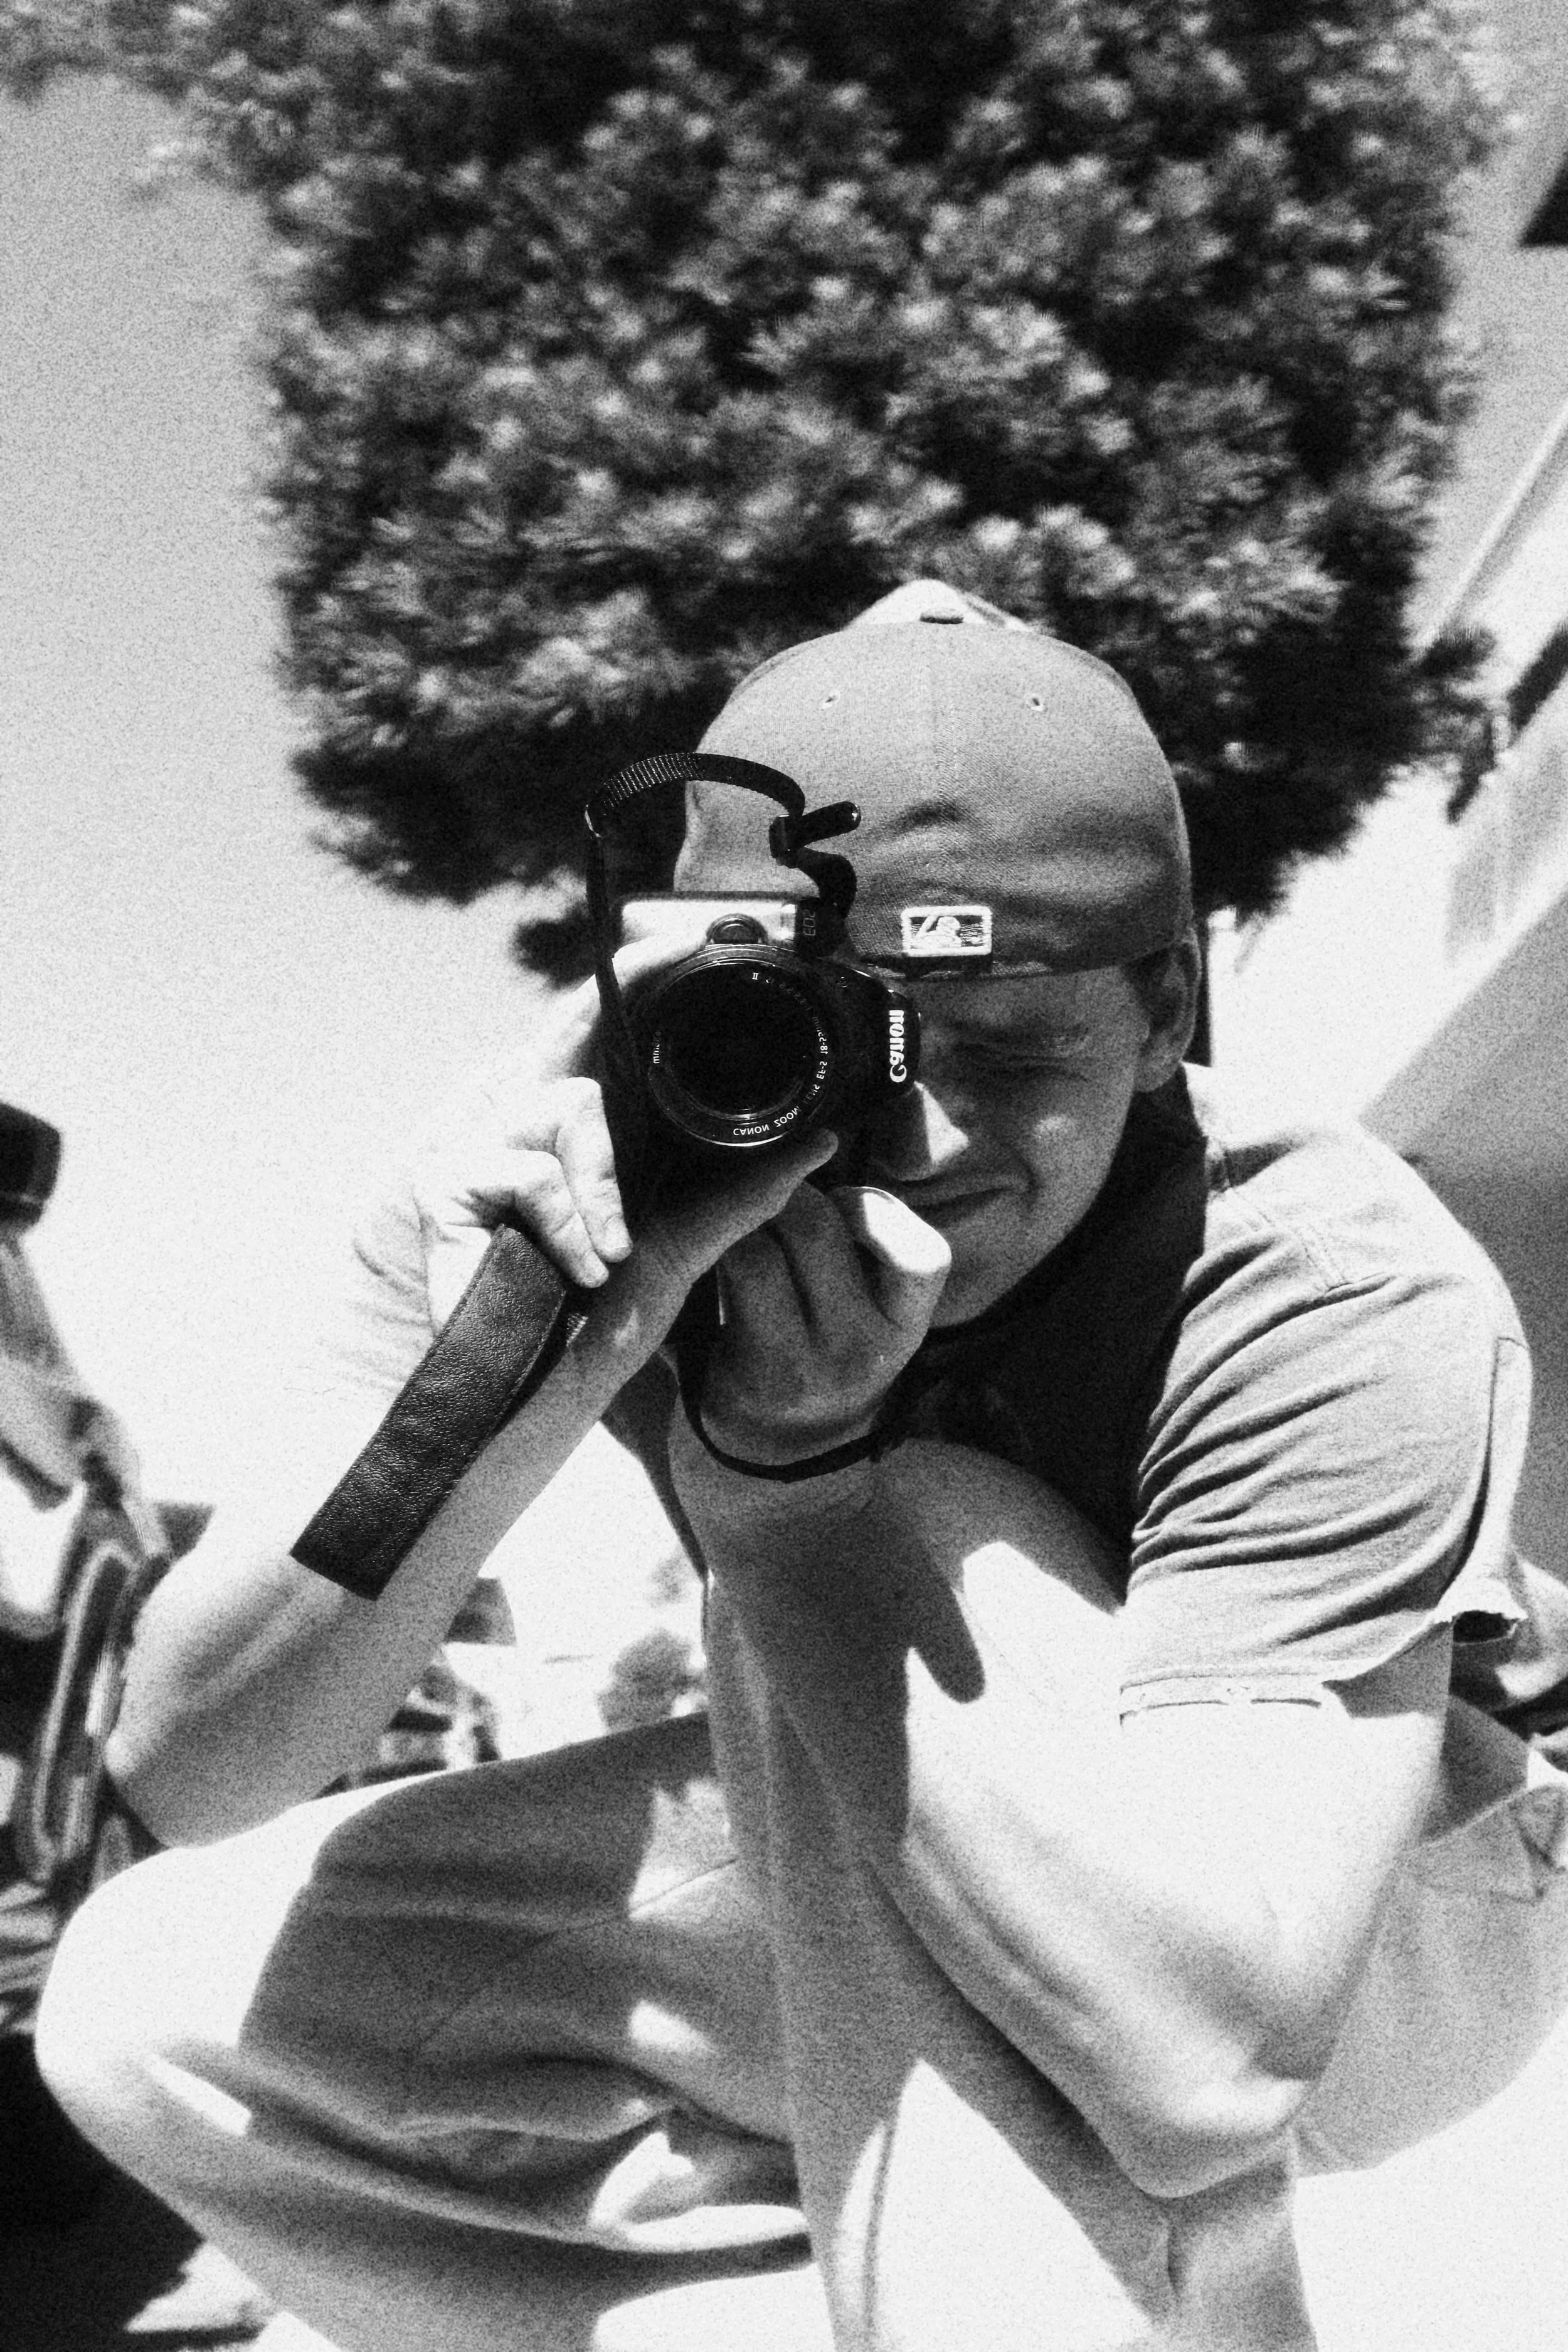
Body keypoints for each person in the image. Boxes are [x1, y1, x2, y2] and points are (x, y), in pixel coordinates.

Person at [33, 585, 1568, 2351]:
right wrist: (501, 1374)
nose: (914, 1135)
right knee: (157, 1994)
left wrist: (792, 1495)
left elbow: (1209, 2056)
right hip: (929, 1872)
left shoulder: (1315, 1268)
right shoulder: (570, 1170)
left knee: (922, 1523)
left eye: (1005, 1045)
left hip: (1376, 1917)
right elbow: (195, 1766)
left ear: (1164, 1008)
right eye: (824, 1037)